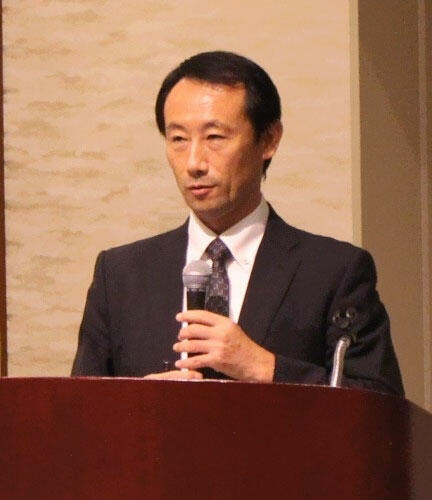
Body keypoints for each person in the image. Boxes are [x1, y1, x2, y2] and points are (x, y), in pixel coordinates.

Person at [72, 51, 403, 395]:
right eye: (178, 139)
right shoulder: (120, 275)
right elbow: (77, 411)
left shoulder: (333, 272)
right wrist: (138, 404)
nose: (194, 163)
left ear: (269, 140)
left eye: (215, 137)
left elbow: (379, 406)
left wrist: (265, 367)